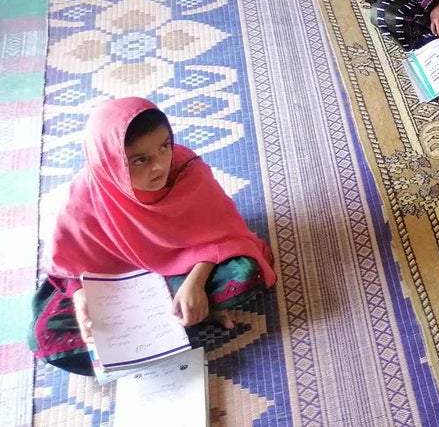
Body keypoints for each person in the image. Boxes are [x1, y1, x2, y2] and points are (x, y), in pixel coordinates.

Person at [30, 98, 276, 375]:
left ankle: (181, 319)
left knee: (246, 273)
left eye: (164, 147)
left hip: (182, 270)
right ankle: (189, 320)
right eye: (140, 160)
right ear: (110, 161)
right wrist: (81, 298)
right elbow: (69, 264)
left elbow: (223, 234)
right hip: (118, 287)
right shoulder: (87, 194)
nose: (159, 166)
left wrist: (195, 283)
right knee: (45, 336)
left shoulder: (186, 172)